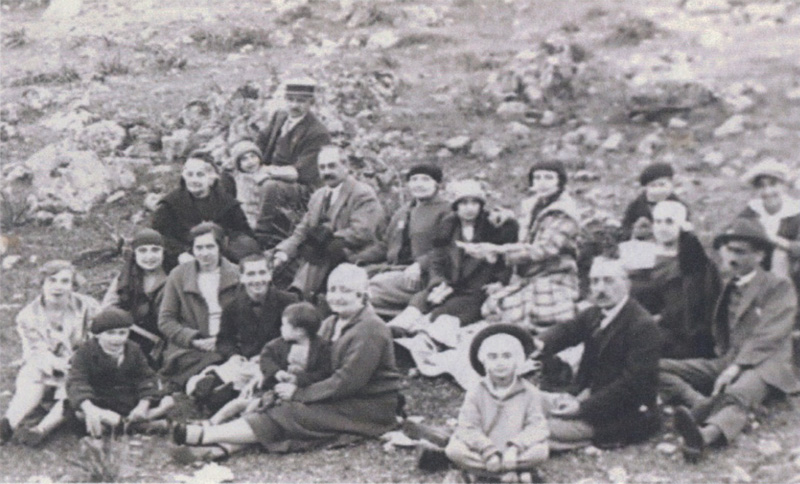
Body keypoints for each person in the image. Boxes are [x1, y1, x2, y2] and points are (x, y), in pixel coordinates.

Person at [170, 264, 402, 462]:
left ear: (362, 295)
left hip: (367, 406)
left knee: (290, 412)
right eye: (332, 290)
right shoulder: (331, 322)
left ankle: (206, 436)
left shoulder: (371, 329)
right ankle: (223, 448)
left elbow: (347, 382)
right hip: (336, 395)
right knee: (273, 402)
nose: (337, 296)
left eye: (346, 291)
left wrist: (299, 393)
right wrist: (270, 375)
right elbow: (310, 361)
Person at [659, 218, 799, 462]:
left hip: (768, 365)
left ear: (759, 255)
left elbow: (769, 334)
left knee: (739, 392)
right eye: (728, 251)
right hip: (728, 360)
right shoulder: (729, 285)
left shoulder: (778, 286)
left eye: (740, 252)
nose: (731, 258)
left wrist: (735, 368)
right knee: (657, 367)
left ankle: (705, 436)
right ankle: (701, 404)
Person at [536, 257, 662, 450]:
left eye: (608, 280)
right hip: (583, 398)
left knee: (536, 429)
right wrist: (537, 345)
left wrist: (581, 408)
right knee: (527, 401)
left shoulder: (642, 326)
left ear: (627, 284)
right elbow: (565, 332)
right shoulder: (594, 314)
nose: (600, 288)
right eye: (595, 281)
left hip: (621, 414)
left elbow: (633, 385)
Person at [388, 179, 518, 333]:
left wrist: (500, 282)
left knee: (442, 314)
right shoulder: (448, 225)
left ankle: (420, 334)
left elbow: (506, 259)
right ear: (456, 206)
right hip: (451, 284)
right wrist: (438, 283)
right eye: (463, 203)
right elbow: (437, 259)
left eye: (474, 203)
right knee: (420, 300)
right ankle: (396, 329)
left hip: (477, 289)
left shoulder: (493, 226)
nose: (469, 208)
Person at [1, 260, 100, 447]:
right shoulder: (27, 315)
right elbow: (35, 350)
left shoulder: (88, 306)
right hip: (46, 365)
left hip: (82, 363)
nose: (58, 287)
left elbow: (98, 339)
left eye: (65, 281)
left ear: (73, 285)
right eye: (52, 281)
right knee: (32, 375)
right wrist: (55, 364)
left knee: (74, 385)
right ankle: (7, 425)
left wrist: (75, 362)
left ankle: (40, 431)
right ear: (42, 283)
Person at [186, 254, 299, 412]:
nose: (257, 279)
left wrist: (267, 356)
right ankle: (216, 390)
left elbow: (298, 338)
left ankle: (238, 396)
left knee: (265, 383)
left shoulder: (289, 301)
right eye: (251, 274)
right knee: (215, 382)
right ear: (242, 278)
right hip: (247, 364)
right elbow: (224, 340)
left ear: (270, 274)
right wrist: (233, 355)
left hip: (278, 362)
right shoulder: (232, 306)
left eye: (262, 273)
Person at [273, 145, 385, 301]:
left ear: (345, 166)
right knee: (274, 259)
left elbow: (363, 232)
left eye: (332, 166)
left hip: (352, 252)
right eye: (322, 167)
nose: (326, 172)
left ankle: (297, 296)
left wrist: (327, 236)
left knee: (323, 250)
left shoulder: (362, 194)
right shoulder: (319, 195)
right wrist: (284, 251)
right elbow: (303, 229)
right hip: (317, 251)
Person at [481, 161, 581, 334]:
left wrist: (499, 253)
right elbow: (529, 233)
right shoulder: (533, 205)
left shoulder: (565, 212)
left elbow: (544, 250)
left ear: (560, 182)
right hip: (528, 277)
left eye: (548, 178)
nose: (541, 182)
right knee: (492, 308)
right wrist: (508, 218)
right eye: (537, 177)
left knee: (541, 315)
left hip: (556, 275)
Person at [445, 324, 549, 484]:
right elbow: (467, 427)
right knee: (454, 449)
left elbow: (537, 427)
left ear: (518, 361)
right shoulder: (476, 391)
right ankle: (514, 476)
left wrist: (515, 448)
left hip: (514, 452)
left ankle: (478, 475)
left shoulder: (530, 393)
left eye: (507, 356)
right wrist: (488, 451)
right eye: (493, 357)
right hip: (483, 449)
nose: (500, 363)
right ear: (484, 362)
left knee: (540, 451)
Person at [208, 302, 331, 425]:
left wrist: (297, 379)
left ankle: (242, 425)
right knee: (240, 403)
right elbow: (265, 360)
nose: (281, 328)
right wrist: (276, 372)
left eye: (284, 325)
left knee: (255, 410)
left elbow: (323, 372)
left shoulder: (321, 348)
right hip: (271, 389)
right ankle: (213, 422)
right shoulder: (276, 345)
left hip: (297, 395)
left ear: (299, 331)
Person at [629, 201, 721, 359]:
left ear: (682, 225)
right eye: (658, 222)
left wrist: (650, 322)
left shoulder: (693, 260)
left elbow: (687, 308)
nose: (662, 227)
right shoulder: (643, 253)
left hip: (676, 335)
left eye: (669, 222)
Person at [67, 308, 175, 438]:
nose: (117, 339)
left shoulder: (133, 349)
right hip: (100, 399)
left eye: (122, 333)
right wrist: (91, 409)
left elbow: (145, 377)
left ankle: (125, 424)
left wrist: (142, 405)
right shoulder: (85, 352)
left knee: (168, 401)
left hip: (127, 398)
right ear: (98, 334)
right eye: (110, 333)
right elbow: (77, 380)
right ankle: (137, 426)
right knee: (78, 411)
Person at [158, 222, 240, 391]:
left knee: (231, 357)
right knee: (193, 360)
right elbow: (166, 320)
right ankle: (209, 381)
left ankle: (208, 383)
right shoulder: (179, 275)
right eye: (199, 248)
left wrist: (224, 340)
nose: (204, 253)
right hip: (192, 347)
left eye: (210, 247)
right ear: (192, 249)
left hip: (228, 342)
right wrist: (194, 340)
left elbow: (247, 316)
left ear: (220, 247)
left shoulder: (237, 274)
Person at [363, 163, 452, 316]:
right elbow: (386, 244)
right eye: (414, 179)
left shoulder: (446, 211)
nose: (419, 184)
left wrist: (420, 265)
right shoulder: (403, 211)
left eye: (425, 179)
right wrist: (357, 259)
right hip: (394, 269)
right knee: (352, 278)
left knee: (367, 289)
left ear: (437, 184)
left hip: (423, 275)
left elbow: (448, 248)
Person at [254, 78, 332, 250]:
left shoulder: (317, 132)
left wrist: (267, 171)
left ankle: (261, 236)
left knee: (270, 186)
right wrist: (248, 159)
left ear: (311, 103)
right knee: (230, 172)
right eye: (291, 99)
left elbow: (298, 173)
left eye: (301, 101)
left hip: (302, 186)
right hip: (272, 172)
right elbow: (260, 142)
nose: (294, 105)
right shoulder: (280, 117)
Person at [152, 153, 256, 271]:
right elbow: (159, 236)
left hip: (220, 256)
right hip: (184, 258)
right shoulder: (170, 204)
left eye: (200, 175)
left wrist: (225, 245)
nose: (194, 180)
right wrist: (180, 253)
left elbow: (243, 232)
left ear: (211, 179)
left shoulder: (227, 203)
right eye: (190, 175)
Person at [101, 228, 168, 368]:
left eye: (155, 250)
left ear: (163, 252)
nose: (149, 256)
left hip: (166, 337)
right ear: (135, 253)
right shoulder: (126, 277)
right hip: (131, 332)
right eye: (143, 250)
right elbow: (107, 308)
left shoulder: (173, 276)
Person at [738, 158, 800, 302]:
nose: (767, 191)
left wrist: (777, 242)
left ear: (784, 186)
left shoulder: (795, 211)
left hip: (793, 270)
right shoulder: (753, 210)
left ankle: (784, 306)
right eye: (761, 186)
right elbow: (737, 232)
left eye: (773, 184)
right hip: (760, 265)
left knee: (780, 255)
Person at [621, 162, 685, 241]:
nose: (658, 189)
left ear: (671, 184)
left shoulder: (678, 205)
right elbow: (625, 226)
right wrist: (634, 232)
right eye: (653, 186)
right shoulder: (637, 205)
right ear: (646, 188)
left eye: (662, 185)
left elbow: (685, 229)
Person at [228, 140, 271, 230]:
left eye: (253, 156)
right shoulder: (239, 175)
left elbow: (292, 173)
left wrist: (270, 175)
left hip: (262, 218)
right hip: (245, 216)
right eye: (244, 159)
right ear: (238, 164)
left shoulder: (266, 170)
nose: (250, 162)